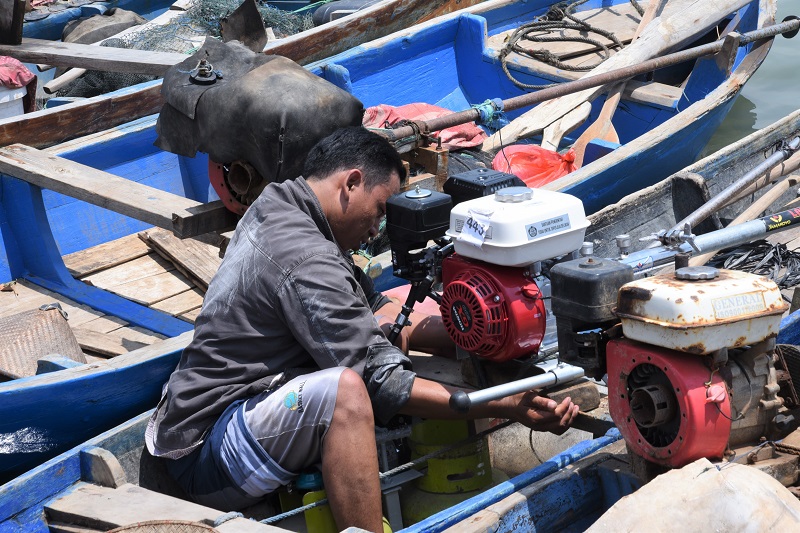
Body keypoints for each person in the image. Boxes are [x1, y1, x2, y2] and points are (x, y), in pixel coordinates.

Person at [145, 126, 579, 533]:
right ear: (351, 183)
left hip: (230, 416)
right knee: (345, 393)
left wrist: (476, 336)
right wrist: (505, 405)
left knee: (395, 343)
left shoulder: (281, 203)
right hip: (206, 453)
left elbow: (375, 312)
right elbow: (380, 382)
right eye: (378, 212)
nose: (376, 231)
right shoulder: (304, 256)